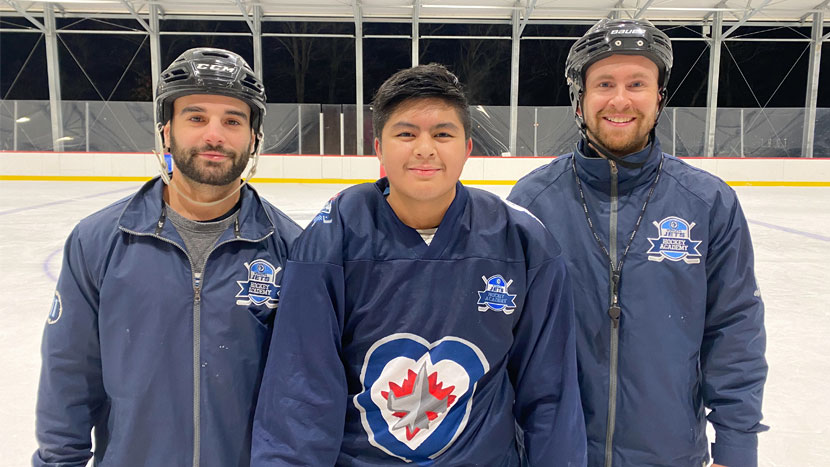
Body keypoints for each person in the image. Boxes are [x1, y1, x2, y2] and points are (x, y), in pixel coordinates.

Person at [251, 63, 586, 466]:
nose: (424, 148)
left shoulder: (523, 242)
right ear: (378, 147)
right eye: (406, 133)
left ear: (467, 149)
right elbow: (300, 395)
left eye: (442, 134)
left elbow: (549, 395)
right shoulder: (333, 238)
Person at [508, 18, 768, 467]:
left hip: (669, 454)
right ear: (580, 99)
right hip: (556, 454)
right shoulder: (532, 203)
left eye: (637, 83)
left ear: (659, 97)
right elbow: (505, 339)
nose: (620, 99)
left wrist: (736, 446)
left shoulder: (707, 203)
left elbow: (734, 331)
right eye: (604, 83)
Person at [33, 48, 302, 467]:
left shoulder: (290, 248)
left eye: (233, 120)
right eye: (195, 117)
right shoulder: (99, 240)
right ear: (165, 131)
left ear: (254, 137)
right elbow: (68, 373)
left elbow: (302, 388)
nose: (214, 135)